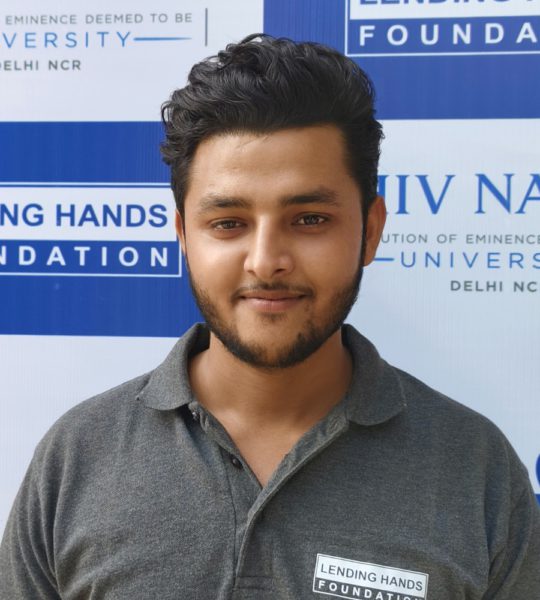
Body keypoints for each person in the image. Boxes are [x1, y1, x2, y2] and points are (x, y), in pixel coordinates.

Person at [1, 34, 538, 600]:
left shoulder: (476, 470)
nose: (266, 261)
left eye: (309, 219)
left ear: (371, 230)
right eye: (228, 223)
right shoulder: (77, 456)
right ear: (183, 235)